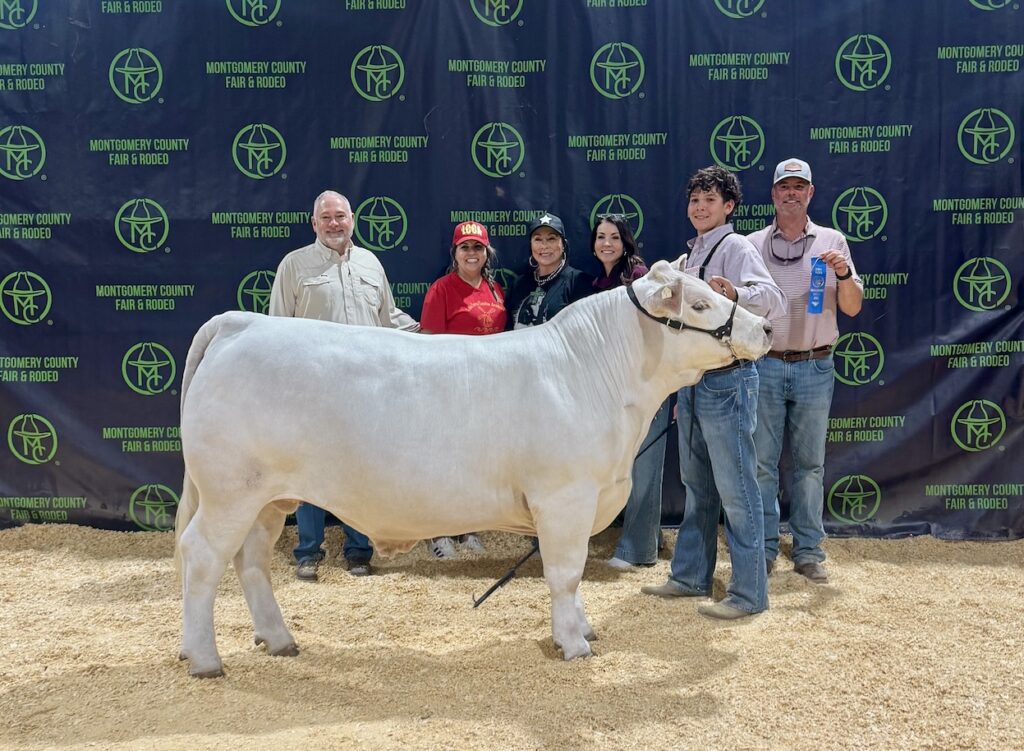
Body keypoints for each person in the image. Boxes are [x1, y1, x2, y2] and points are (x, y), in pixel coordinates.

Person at [641, 166, 785, 620]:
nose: (699, 207)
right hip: (696, 382)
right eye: (694, 200)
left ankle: (748, 593)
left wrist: (734, 291)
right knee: (697, 486)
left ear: (729, 206)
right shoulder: (689, 258)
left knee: (737, 487)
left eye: (710, 200)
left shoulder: (737, 246)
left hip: (730, 379)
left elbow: (772, 298)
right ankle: (689, 576)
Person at [269, 190, 418, 581]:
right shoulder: (294, 265)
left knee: (362, 472)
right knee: (309, 472)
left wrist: (432, 334)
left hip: (369, 392)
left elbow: (388, 316)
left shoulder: (370, 262)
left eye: (341, 216)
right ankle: (308, 552)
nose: (334, 224)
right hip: (312, 392)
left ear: (352, 219)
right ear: (314, 224)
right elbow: (277, 327)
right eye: (326, 218)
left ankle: (358, 550)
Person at [747, 158, 863, 583]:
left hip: (816, 365)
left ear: (810, 193)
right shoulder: (752, 243)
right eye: (784, 186)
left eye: (800, 186)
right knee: (761, 463)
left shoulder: (833, 241)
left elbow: (851, 306)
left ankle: (809, 549)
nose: (791, 193)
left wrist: (844, 273)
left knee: (810, 464)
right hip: (765, 364)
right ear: (774, 194)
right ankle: (762, 548)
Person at [420, 220, 507, 559]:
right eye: (465, 247)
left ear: (487, 252)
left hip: (486, 393)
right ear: (454, 253)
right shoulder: (441, 289)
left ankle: (468, 528)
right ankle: (438, 533)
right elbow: (427, 345)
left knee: (475, 465)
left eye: (478, 247)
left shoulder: (496, 290)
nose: (472, 253)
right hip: (450, 390)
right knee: (443, 463)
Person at [589, 214, 670, 570]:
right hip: (617, 390)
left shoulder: (639, 278)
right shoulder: (598, 282)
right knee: (630, 466)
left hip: (645, 384)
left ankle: (637, 552)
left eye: (614, 237)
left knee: (644, 466)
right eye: (601, 237)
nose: (607, 243)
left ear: (626, 242)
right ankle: (650, 536)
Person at [504, 213, 593, 329]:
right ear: (530, 245)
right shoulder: (518, 285)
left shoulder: (579, 283)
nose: (544, 246)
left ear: (563, 244)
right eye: (538, 239)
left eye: (551, 238)